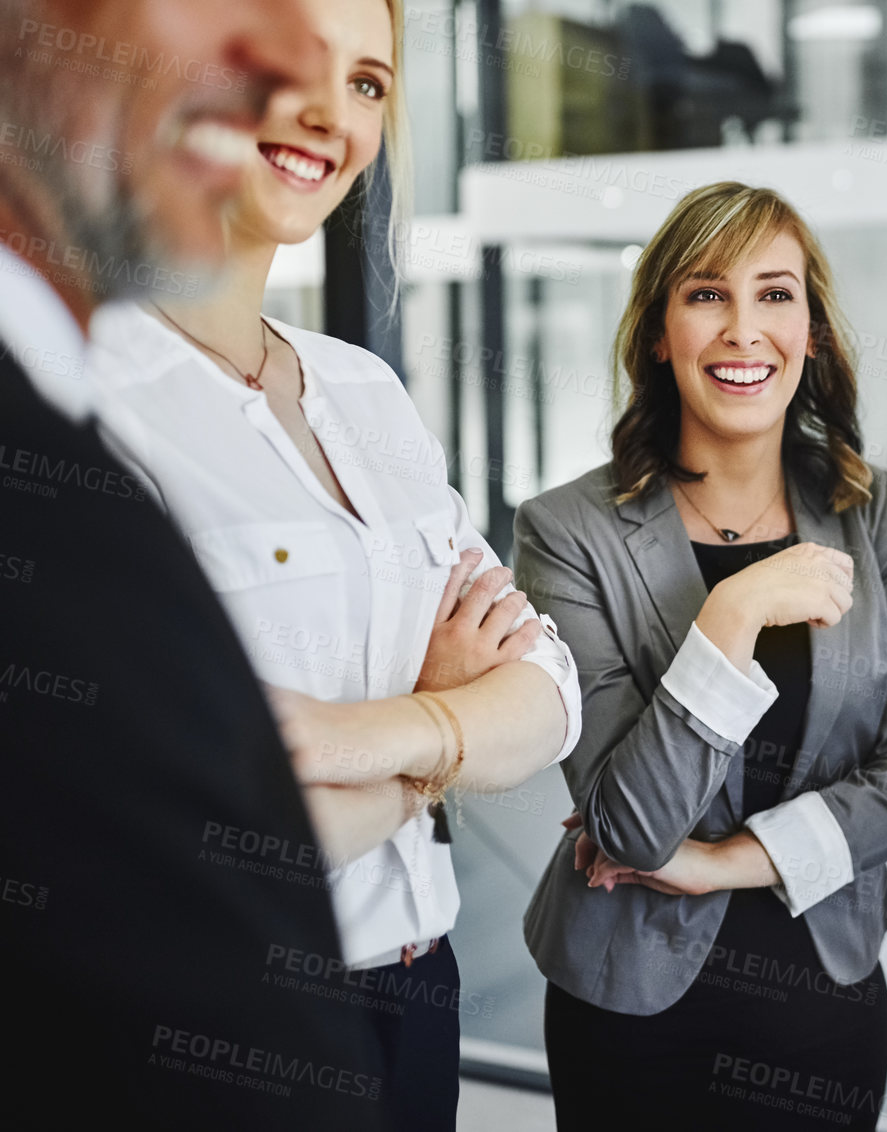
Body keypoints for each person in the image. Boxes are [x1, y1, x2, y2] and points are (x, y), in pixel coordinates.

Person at [80, 0, 582, 1126]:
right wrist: (445, 742)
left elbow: (547, 688)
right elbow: (187, 841)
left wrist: (383, 740)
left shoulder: (366, 388)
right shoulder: (87, 399)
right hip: (225, 1018)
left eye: (366, 82)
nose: (331, 111)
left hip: (417, 987)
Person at [0, 0, 393, 1128]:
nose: (284, 73)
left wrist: (411, 755)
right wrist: (428, 766)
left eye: (366, 79)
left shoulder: (359, 390)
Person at [516, 181, 887, 1130]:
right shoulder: (565, 533)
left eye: (774, 294)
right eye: (706, 294)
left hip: (824, 987)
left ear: (813, 333)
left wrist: (723, 863)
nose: (743, 330)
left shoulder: (865, 508)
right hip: (626, 1000)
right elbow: (629, 828)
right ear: (656, 332)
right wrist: (735, 611)